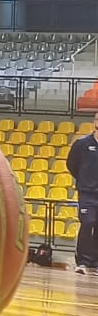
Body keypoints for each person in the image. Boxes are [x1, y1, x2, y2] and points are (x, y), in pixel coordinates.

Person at [66, 113, 98, 275]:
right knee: (87, 223)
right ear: (95, 122)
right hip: (88, 193)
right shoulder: (82, 144)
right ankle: (83, 262)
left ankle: (95, 263)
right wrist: (84, 179)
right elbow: (71, 164)